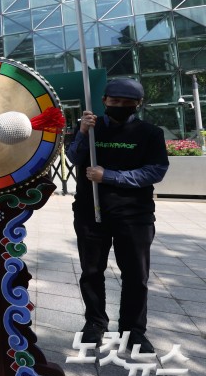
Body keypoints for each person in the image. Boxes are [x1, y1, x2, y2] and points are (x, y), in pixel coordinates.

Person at [67, 78, 168, 354]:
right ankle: (95, 323)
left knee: (136, 274)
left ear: (139, 104)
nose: (120, 106)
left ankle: (133, 330)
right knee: (91, 271)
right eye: (114, 101)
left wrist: (108, 176)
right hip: (91, 212)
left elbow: (156, 170)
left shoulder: (150, 133)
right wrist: (82, 133)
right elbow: (73, 158)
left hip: (134, 215)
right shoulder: (88, 127)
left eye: (127, 103)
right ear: (104, 101)